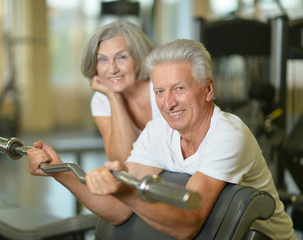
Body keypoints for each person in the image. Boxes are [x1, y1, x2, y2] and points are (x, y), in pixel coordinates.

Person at [27, 38, 297, 239]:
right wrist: (59, 171)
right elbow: (117, 209)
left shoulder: (228, 136)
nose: (168, 103)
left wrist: (126, 191)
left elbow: (188, 224)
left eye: (179, 88)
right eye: (159, 91)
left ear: (208, 89)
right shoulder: (158, 132)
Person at [80, 20, 160, 162]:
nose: (112, 69)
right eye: (103, 59)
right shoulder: (102, 99)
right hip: (140, 179)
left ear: (139, 57)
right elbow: (123, 160)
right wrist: (114, 97)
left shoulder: (163, 87)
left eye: (121, 57)